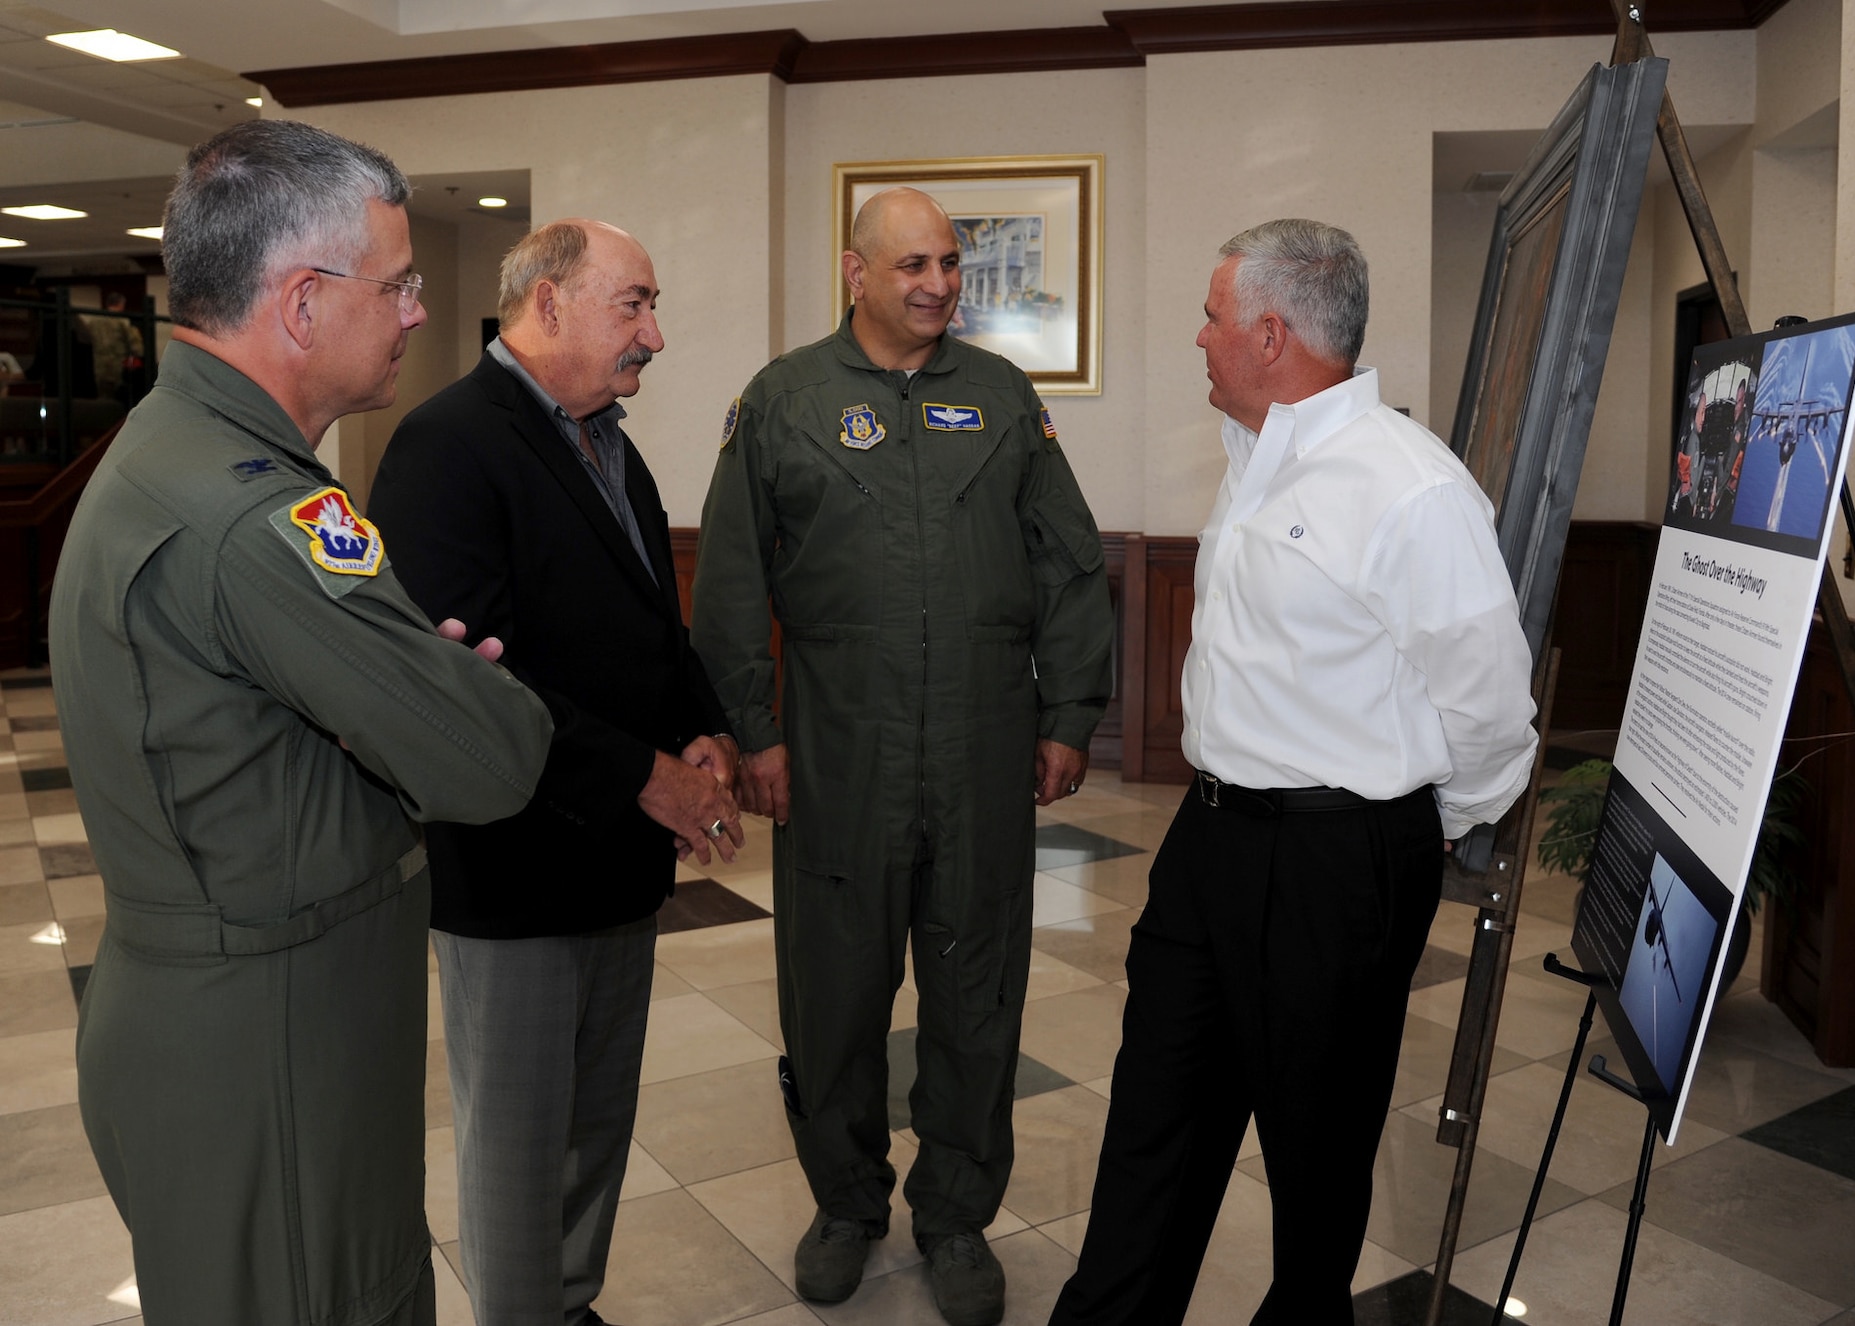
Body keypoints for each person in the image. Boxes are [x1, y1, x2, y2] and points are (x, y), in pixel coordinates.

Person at [47, 120, 556, 1326]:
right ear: (303, 302)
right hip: (266, 1054)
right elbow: (496, 756)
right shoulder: (250, 519)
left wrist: (380, 696)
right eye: (399, 286)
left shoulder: (179, 458)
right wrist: (411, 698)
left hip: (236, 1025)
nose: (421, 314)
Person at [1048, 219, 1538, 1326]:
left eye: (1213, 317)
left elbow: (1492, 716)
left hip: (1336, 861)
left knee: (1313, 1161)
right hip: (1210, 842)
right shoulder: (1255, 460)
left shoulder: (1410, 489)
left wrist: (1400, 826)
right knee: (1153, 1124)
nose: (1198, 337)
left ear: (1269, 334)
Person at [691, 187, 1114, 1326]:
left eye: (948, 263)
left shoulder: (1002, 397)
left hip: (981, 748)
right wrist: (756, 735)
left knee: (977, 990)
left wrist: (1069, 713)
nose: (935, 284)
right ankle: (844, 1204)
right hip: (837, 749)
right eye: (910, 264)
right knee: (832, 993)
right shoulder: (784, 402)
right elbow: (730, 591)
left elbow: (1070, 563)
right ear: (854, 271)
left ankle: (956, 1214)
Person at [368, 218, 744, 1326]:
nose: (655, 334)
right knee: (518, 1144)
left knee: (593, 1124)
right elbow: (468, 680)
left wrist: (705, 729)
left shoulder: (604, 437)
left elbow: (641, 624)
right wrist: (645, 774)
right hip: (515, 864)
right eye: (632, 303)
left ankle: (567, 1304)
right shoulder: (447, 443)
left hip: (613, 860)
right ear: (547, 304)